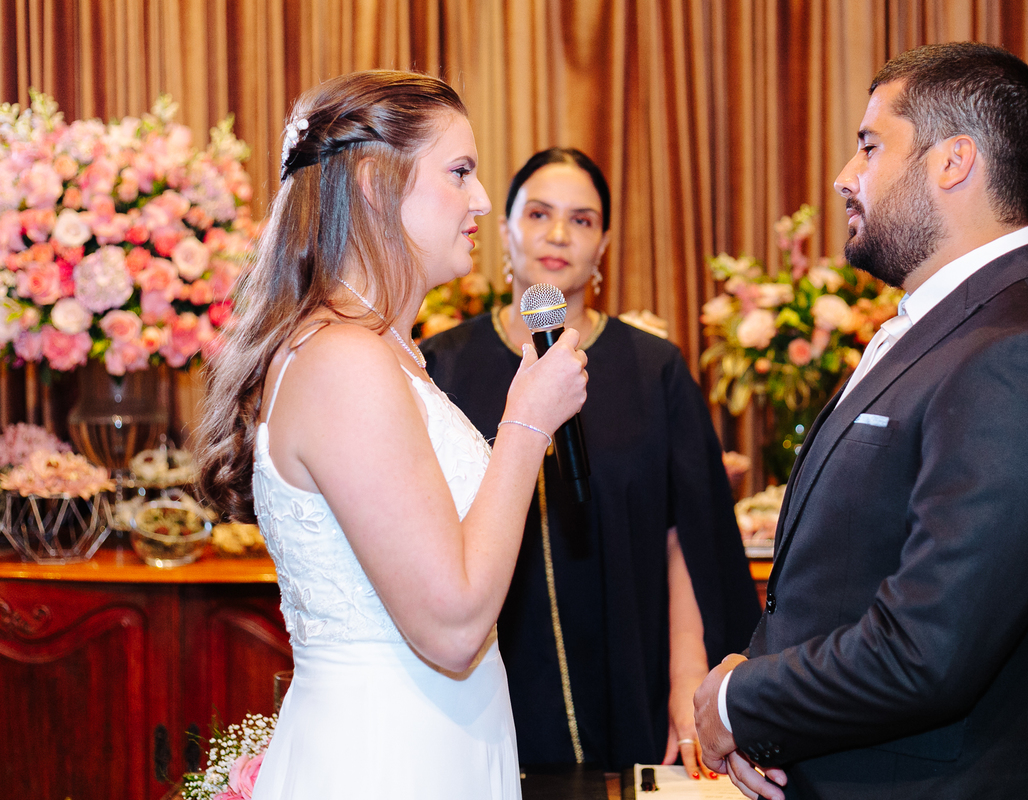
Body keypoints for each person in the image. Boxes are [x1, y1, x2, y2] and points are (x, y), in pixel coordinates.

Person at [694, 42, 1028, 800]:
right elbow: (843, 573)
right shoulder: (954, 324)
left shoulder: (1027, 353)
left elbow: (930, 649)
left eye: (870, 146)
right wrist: (760, 679)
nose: (845, 176)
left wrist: (739, 702)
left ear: (953, 162)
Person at [194, 71, 588, 799]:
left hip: (441, 741)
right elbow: (452, 627)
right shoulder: (343, 359)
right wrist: (527, 422)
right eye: (460, 172)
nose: (480, 200)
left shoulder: (388, 351)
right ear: (375, 183)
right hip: (386, 757)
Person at [423, 147, 761, 775]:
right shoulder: (441, 364)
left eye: (581, 220)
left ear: (603, 243)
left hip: (628, 669)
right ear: (504, 230)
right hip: (484, 672)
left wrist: (687, 674)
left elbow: (688, 538)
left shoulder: (653, 369)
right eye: (539, 214)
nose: (558, 234)